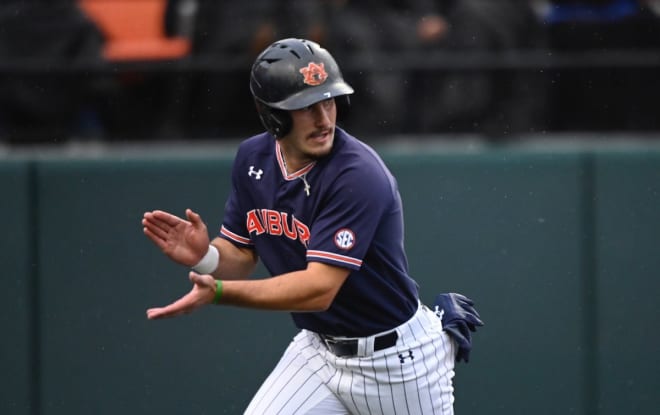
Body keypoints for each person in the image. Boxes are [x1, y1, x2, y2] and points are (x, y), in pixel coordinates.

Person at [142, 38, 482, 414]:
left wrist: (222, 292)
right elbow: (241, 254)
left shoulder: (356, 173)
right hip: (319, 352)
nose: (323, 119)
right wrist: (205, 257)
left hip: (397, 362)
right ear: (269, 113)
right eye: (305, 107)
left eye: (329, 100)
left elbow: (319, 289)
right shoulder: (252, 159)